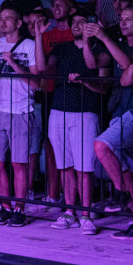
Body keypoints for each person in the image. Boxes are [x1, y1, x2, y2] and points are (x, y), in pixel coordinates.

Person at [36, 12, 106, 234]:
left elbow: (92, 67)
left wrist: (86, 41)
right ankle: (69, 212)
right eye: (74, 22)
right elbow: (42, 68)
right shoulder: (62, 48)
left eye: (81, 22)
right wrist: (38, 36)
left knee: (84, 167)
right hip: (59, 109)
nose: (76, 24)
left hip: (85, 112)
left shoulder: (100, 49)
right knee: (64, 165)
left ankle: (86, 214)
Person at [90, 8, 133, 238]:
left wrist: (104, 37)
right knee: (127, 171)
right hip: (119, 111)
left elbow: (129, 65)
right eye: (121, 19)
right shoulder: (120, 44)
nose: (123, 22)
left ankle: (120, 194)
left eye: (129, 19)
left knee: (101, 145)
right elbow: (112, 69)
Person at [0, 2, 39, 227]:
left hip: (21, 109)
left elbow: (36, 83)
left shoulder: (29, 45)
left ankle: (20, 208)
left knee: (19, 163)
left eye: (7, 18)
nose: (3, 22)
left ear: (18, 23)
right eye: (1, 19)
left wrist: (14, 63)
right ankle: (5, 206)